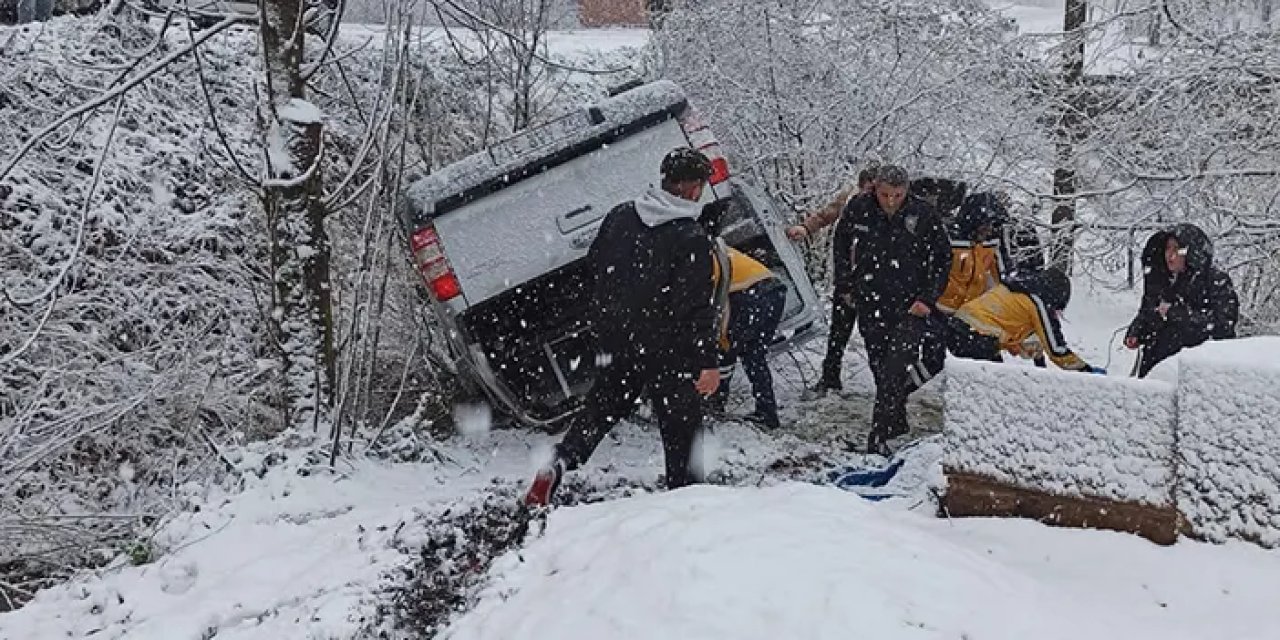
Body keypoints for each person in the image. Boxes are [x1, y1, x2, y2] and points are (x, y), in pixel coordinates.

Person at [523, 148, 722, 506]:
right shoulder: (690, 237)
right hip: (668, 346)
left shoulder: (621, 216)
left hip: (616, 336)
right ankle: (687, 503)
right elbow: (695, 307)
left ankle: (560, 460)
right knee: (681, 428)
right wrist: (707, 361)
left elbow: (594, 265)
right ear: (693, 189)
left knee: (603, 406)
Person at [842, 165, 951, 455]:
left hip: (910, 304)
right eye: (885, 194)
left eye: (897, 195)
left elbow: (942, 259)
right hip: (871, 299)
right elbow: (841, 242)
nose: (890, 201)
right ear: (875, 189)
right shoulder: (860, 208)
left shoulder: (923, 214)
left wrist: (928, 299)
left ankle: (877, 437)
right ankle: (896, 423)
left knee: (895, 368)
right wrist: (845, 284)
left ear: (906, 191)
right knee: (879, 367)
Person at [786, 165, 878, 393]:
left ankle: (885, 382)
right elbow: (827, 213)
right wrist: (806, 228)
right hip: (848, 276)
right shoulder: (850, 202)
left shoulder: (890, 206)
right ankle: (830, 376)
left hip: (876, 281)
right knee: (839, 332)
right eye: (868, 189)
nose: (872, 195)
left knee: (876, 336)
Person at [1124, 223, 1239, 378]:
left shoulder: (1215, 282)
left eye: (1177, 249)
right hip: (1155, 372)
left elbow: (1222, 327)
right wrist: (1137, 331)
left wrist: (1176, 314)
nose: (1170, 255)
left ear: (1192, 252)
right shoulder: (1161, 281)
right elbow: (1148, 312)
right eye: (1167, 248)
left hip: (1195, 373)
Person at [943, 268, 1105, 373]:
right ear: (1057, 297)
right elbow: (1056, 349)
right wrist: (1086, 370)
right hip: (976, 337)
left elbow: (1032, 342)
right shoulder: (1039, 302)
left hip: (961, 329)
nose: (1055, 315)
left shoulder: (1021, 289)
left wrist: (1040, 367)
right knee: (993, 383)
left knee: (991, 379)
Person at [706, 247, 787, 429]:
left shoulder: (698, 264)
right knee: (754, 356)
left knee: (726, 352)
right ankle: (767, 413)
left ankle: (714, 406)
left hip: (750, 294)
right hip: (774, 291)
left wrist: (722, 343)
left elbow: (721, 310)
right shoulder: (715, 249)